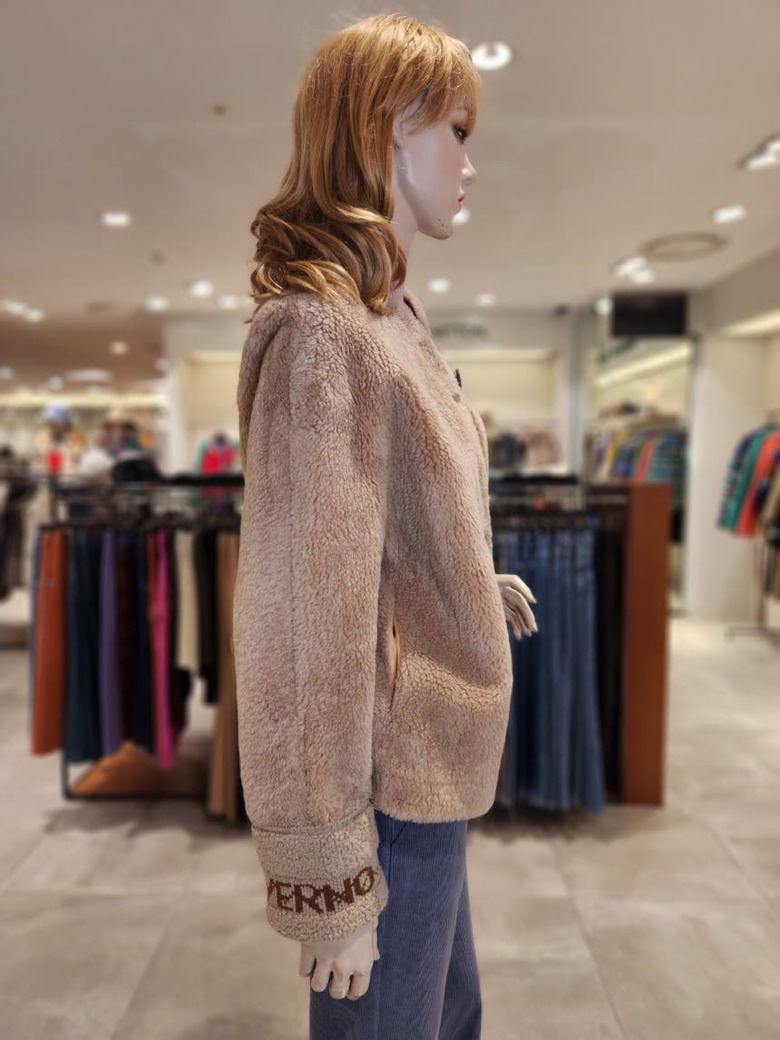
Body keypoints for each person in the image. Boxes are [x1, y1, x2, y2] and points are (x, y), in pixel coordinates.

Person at [234, 14, 537, 1039]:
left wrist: (466, 584)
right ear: (385, 127)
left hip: (430, 771)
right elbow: (301, 626)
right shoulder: (325, 333)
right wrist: (332, 877)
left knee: (453, 1016)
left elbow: (394, 529)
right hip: (385, 791)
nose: (470, 163)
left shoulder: (389, 321)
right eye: (456, 131)